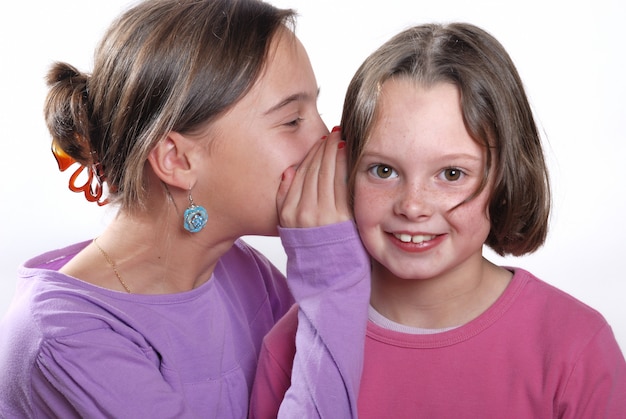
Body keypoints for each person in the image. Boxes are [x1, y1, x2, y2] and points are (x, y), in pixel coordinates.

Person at [0, 0, 370, 417]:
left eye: (315, 111)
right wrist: (333, 277)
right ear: (176, 159)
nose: (327, 140)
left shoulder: (244, 273)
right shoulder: (66, 340)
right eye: (291, 121)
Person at [250, 22, 626, 418]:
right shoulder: (290, 348)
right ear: (344, 171)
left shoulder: (575, 347)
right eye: (383, 171)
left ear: (506, 177)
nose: (413, 206)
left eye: (451, 174)